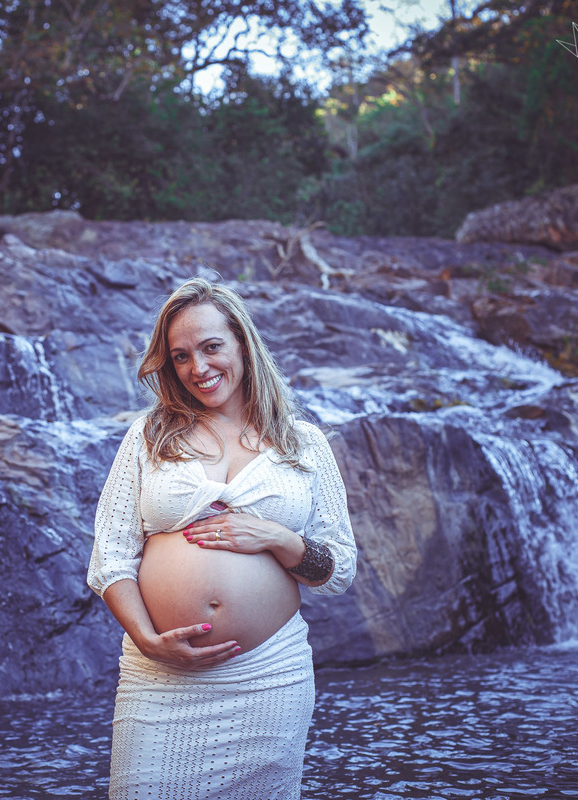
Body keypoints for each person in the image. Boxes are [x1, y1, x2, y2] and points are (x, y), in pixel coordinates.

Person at [87, 277, 357, 799]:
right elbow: (111, 557)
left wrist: (280, 538)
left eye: (212, 347)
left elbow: (339, 569)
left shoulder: (303, 445)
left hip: (268, 679)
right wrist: (147, 639)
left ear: (243, 344)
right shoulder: (149, 436)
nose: (199, 368)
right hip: (158, 679)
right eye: (181, 356)